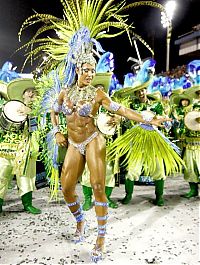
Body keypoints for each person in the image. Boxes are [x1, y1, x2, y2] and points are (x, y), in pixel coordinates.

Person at [50, 36, 169, 262]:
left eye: (93, 71)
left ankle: (101, 239)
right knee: (66, 188)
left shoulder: (98, 94)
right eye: (86, 70)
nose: (90, 74)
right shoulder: (65, 92)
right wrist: (56, 131)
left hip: (94, 139)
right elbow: (54, 111)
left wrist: (148, 118)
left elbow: (123, 110)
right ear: (77, 69)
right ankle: (80, 222)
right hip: (74, 143)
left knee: (97, 185)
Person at [0, 78, 41, 214]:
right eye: (28, 91)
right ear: (22, 95)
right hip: (5, 147)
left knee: (25, 178)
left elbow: (36, 130)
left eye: (33, 92)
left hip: (24, 149)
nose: (31, 94)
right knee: (1, 176)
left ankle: (27, 204)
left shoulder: (37, 113)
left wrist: (30, 113)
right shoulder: (10, 106)